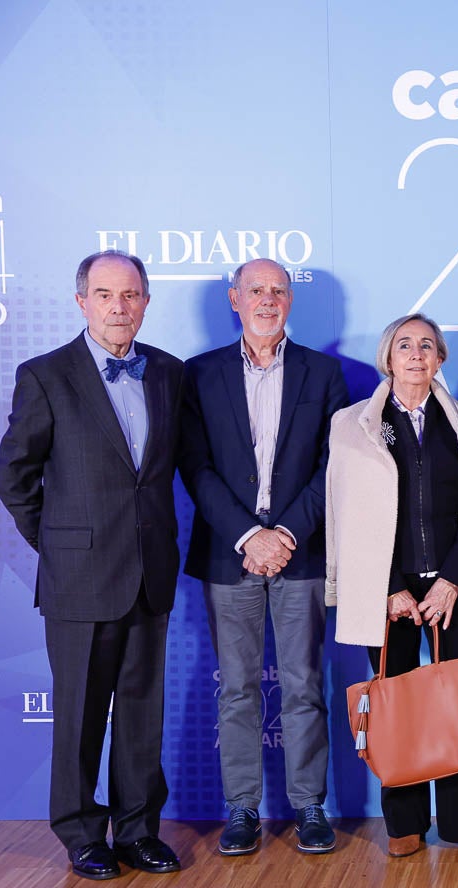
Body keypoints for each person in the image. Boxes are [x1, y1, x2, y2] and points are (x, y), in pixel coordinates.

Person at [0, 250, 185, 880]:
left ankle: (136, 830)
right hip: (79, 577)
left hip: (148, 570)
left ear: (147, 302)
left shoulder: (169, 374)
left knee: (140, 712)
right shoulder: (46, 375)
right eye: (105, 294)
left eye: (130, 295)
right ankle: (81, 834)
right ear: (82, 301)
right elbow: (14, 475)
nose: (118, 306)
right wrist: (58, 543)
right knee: (78, 714)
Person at [326, 314, 458, 857]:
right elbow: (348, 516)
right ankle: (404, 824)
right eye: (404, 346)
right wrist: (389, 586)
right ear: (388, 357)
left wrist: (454, 579)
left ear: (440, 360)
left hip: (451, 588)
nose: (415, 355)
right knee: (397, 704)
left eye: (426, 346)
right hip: (385, 590)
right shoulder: (352, 425)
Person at [179, 258, 349, 857]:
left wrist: (286, 534)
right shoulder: (197, 375)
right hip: (231, 557)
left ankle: (309, 807)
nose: (268, 299)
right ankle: (242, 809)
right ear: (234, 299)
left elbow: (334, 466)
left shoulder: (324, 373)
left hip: (299, 555)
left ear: (289, 301)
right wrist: (250, 537)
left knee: (305, 685)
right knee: (237, 690)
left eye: (278, 290)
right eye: (256, 290)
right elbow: (193, 467)